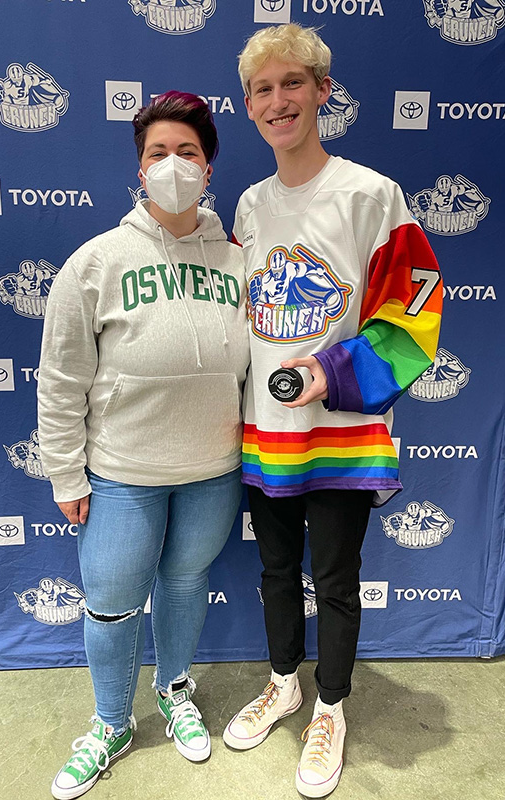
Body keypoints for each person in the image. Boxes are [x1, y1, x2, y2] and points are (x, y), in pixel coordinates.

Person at [222, 24, 442, 798]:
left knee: (336, 578)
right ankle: (284, 681)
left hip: (342, 432)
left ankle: (331, 706)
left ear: (322, 90)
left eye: (291, 83)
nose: (277, 100)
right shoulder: (247, 206)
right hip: (268, 432)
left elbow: (414, 311)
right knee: (275, 570)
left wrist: (334, 369)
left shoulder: (371, 194)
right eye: (262, 89)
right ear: (248, 106)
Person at [37, 90, 249, 800]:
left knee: (186, 583)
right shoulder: (95, 262)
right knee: (111, 603)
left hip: (212, 471)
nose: (173, 165)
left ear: (208, 168)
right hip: (123, 474)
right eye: (158, 153)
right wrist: (66, 474)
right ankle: (109, 723)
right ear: (139, 168)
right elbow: (61, 379)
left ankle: (174, 691)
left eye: (187, 152)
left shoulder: (237, 262)